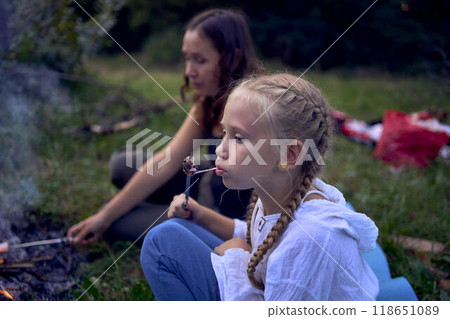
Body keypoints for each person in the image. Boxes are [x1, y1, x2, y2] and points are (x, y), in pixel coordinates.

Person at [140, 73, 379, 300]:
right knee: (175, 229)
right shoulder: (280, 193)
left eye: (239, 138)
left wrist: (237, 256)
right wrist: (201, 216)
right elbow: (263, 238)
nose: (220, 149)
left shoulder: (311, 238)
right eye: (225, 133)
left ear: (289, 153)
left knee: (161, 242)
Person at [68, 9, 261, 245]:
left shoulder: (258, 109)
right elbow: (166, 161)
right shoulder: (208, 102)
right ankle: (147, 205)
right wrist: (104, 215)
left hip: (223, 217)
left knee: (118, 224)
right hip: (205, 183)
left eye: (200, 60)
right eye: (187, 58)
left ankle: (156, 209)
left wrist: (108, 218)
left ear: (234, 58)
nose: (189, 71)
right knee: (121, 166)